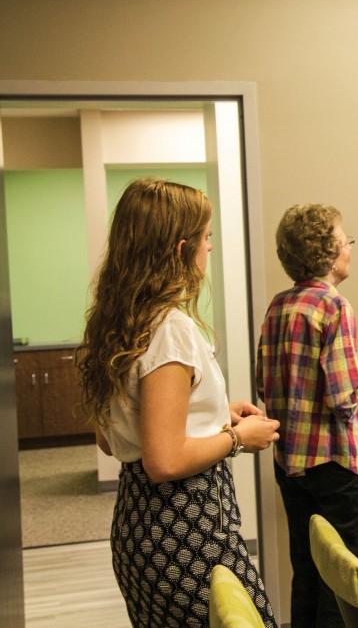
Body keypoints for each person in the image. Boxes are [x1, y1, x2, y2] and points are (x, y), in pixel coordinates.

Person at [77, 178, 279, 627]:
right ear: (181, 248)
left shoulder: (117, 325)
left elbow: (115, 440)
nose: (211, 248)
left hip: (136, 525)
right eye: (207, 239)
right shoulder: (171, 328)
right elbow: (164, 461)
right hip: (186, 526)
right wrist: (238, 438)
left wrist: (215, 415)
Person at [256, 204, 358, 628]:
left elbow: (270, 384)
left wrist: (354, 378)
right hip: (335, 464)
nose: (349, 247)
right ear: (328, 250)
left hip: (291, 464)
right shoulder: (334, 306)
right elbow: (341, 399)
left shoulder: (279, 306)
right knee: (342, 580)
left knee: (308, 572)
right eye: (344, 239)